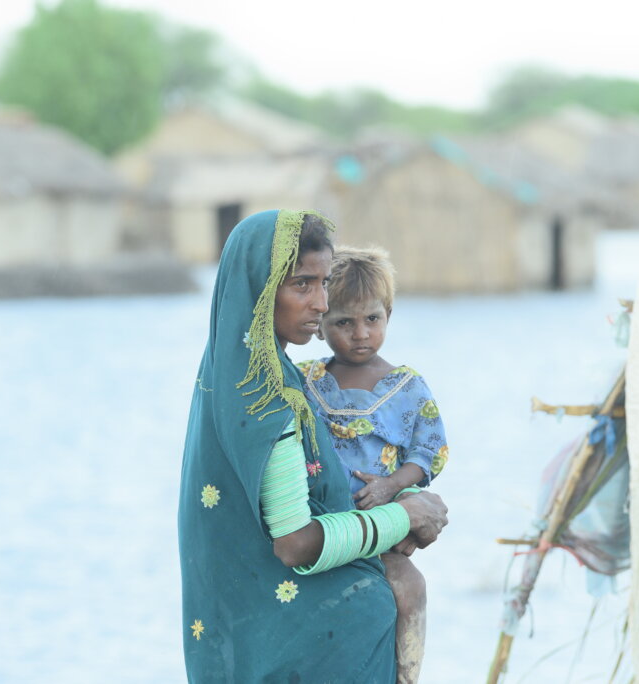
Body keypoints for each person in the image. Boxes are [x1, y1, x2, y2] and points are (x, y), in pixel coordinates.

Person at [178, 209, 449, 683]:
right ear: (259, 291)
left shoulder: (231, 372)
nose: (321, 304)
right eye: (302, 284)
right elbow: (296, 544)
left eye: (324, 284)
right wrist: (405, 516)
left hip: (268, 636)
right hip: (314, 649)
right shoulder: (270, 396)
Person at [297, 246, 449, 683]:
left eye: (372, 319)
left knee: (409, 586)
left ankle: (404, 674)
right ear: (321, 325)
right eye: (343, 322)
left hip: (380, 515)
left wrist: (391, 485)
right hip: (320, 523)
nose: (360, 333)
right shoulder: (306, 381)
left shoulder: (406, 387)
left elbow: (428, 451)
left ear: (388, 316)